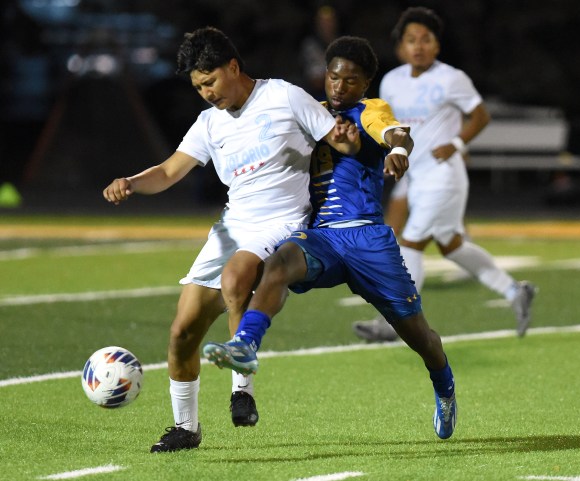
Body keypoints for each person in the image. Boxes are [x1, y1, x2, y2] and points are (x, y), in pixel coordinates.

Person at [103, 26, 358, 453]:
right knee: (182, 332)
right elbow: (168, 172)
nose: (206, 92)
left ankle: (243, 391)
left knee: (236, 278)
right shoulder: (209, 123)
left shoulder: (283, 96)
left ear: (233, 67)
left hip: (283, 221)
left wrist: (350, 142)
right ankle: (186, 428)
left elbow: (334, 137)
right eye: (198, 86)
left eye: (210, 81)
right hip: (232, 226)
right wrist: (130, 182)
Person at [203, 36, 458, 440]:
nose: (340, 87)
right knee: (278, 264)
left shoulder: (371, 110)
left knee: (418, 336)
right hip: (320, 237)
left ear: (366, 84)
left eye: (351, 81)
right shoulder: (311, 113)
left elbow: (395, 132)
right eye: (334, 77)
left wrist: (399, 151)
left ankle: (444, 384)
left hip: (368, 240)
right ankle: (246, 344)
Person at [353, 7, 536, 342]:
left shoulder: (452, 78)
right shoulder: (392, 82)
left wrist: (455, 143)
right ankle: (515, 291)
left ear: (437, 46)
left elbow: (480, 116)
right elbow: (391, 127)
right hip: (417, 177)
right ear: (400, 48)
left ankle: (393, 323)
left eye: (426, 39)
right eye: (411, 40)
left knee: (410, 242)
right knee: (451, 245)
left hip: (445, 176)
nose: (419, 46)